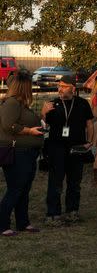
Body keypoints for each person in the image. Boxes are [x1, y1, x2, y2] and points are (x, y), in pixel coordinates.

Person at [41, 74, 93, 226]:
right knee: (55, 182)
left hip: (76, 148)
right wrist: (44, 113)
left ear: (72, 88)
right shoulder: (52, 104)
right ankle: (53, 214)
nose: (60, 89)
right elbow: (43, 127)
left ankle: (72, 212)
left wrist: (90, 141)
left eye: (64, 86)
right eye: (59, 86)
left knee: (75, 182)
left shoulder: (82, 104)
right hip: (56, 148)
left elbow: (89, 124)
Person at [0, 72, 45, 236]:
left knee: (24, 190)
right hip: (18, 153)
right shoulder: (11, 103)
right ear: (23, 87)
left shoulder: (21, 104)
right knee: (15, 189)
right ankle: (2, 224)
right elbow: (8, 125)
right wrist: (29, 131)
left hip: (28, 153)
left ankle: (23, 222)